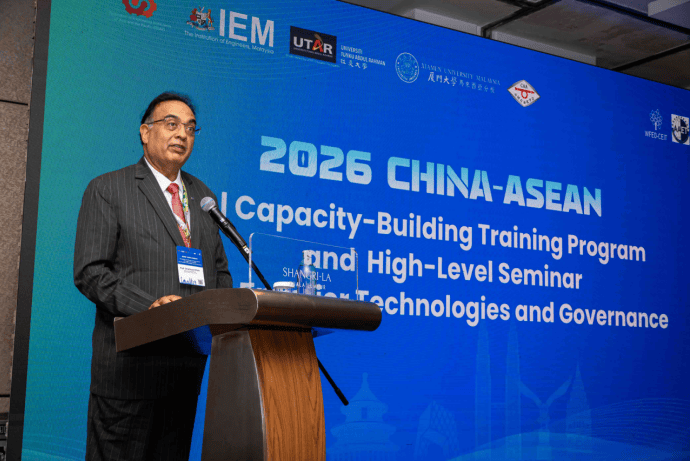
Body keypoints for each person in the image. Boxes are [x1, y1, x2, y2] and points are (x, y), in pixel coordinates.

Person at [74, 92, 233, 460]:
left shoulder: (203, 196)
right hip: (129, 373)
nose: (182, 134)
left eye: (190, 128)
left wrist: (223, 315)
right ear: (145, 132)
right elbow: (90, 271)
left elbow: (220, 273)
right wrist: (150, 307)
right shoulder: (109, 189)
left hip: (184, 373)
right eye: (171, 124)